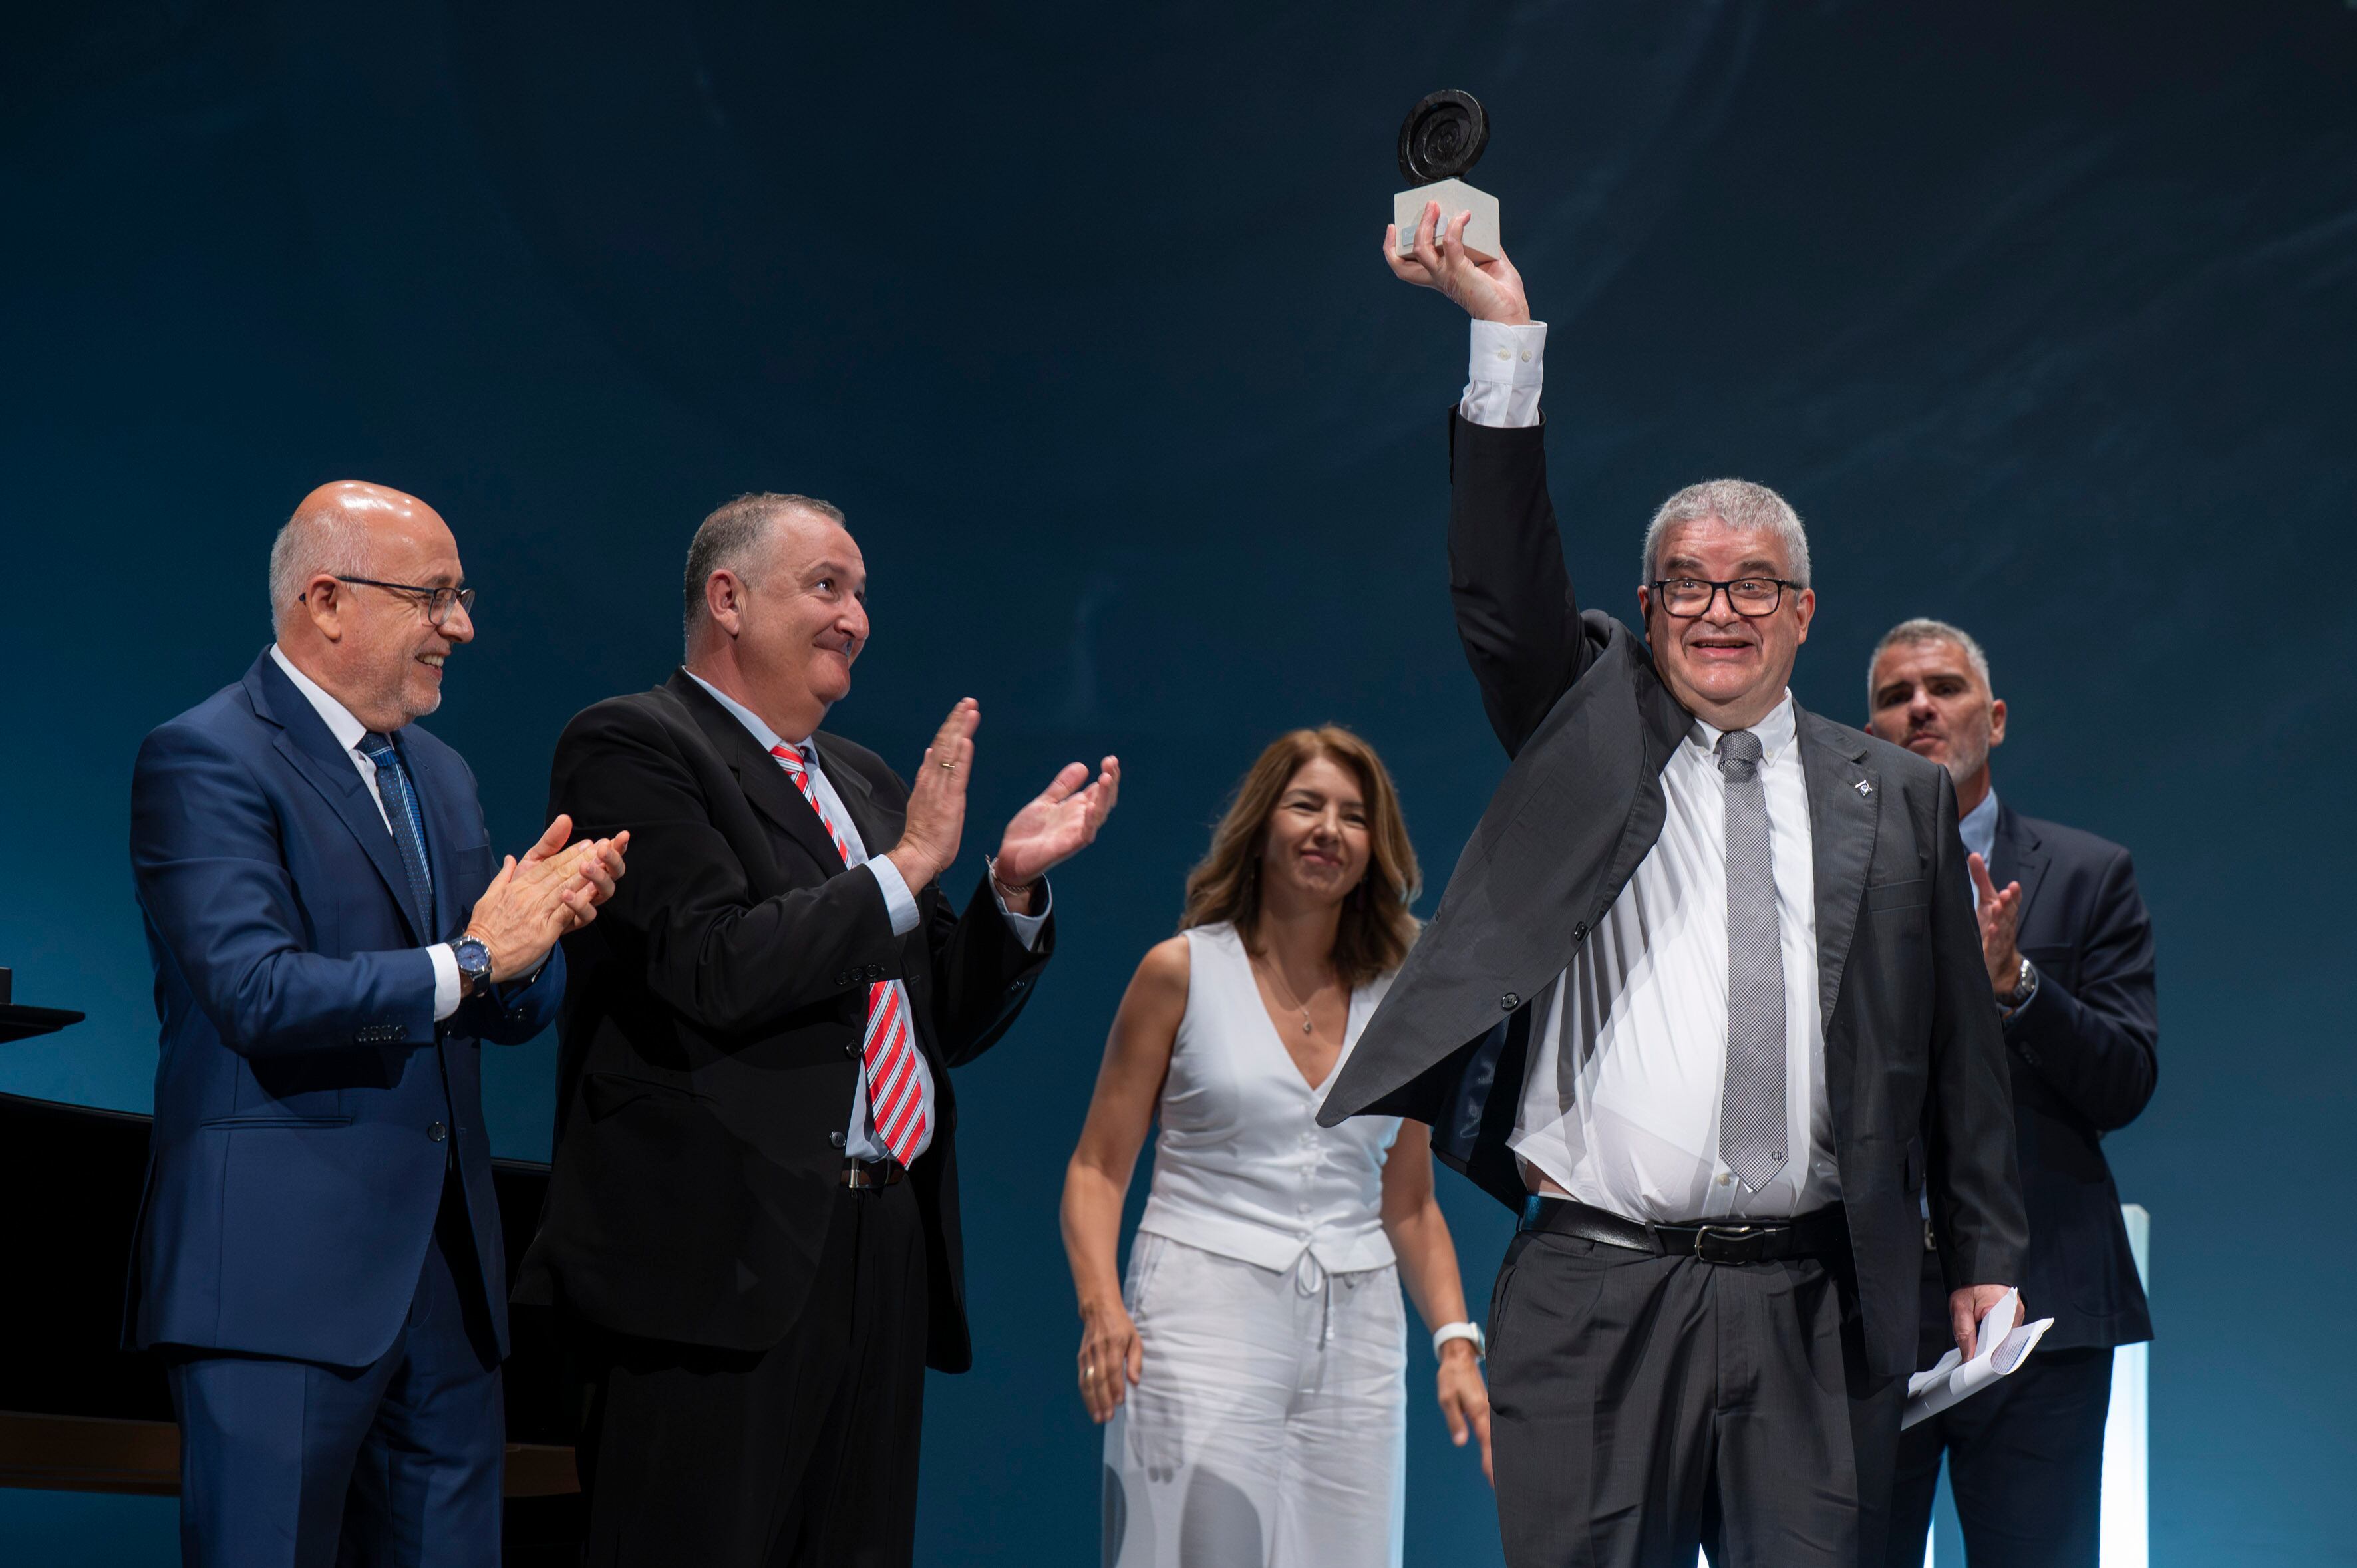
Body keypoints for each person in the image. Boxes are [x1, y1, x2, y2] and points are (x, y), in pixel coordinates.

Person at [1315, 203, 2032, 1567]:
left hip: (1816, 1301)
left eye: (1753, 585)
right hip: (1596, 1289)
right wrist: (1501, 338)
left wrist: (1984, 1247)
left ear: (1804, 613)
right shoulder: (1587, 728)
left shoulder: (1899, 797)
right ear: (1643, 611)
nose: (1718, 610)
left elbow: (1955, 1048)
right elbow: (1501, 592)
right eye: (1685, 586)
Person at [513, 491, 1120, 1567]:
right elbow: (713, 965)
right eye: (826, 586)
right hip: (710, 1263)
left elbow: (939, 1013)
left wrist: (1008, 890)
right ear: (729, 599)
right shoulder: (633, 745)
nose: (856, 618)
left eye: (861, 594)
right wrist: (905, 868)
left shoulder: (866, 782)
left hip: (877, 1246)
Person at [128, 481, 627, 1567]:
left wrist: (539, 934)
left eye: (461, 595)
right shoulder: (206, 757)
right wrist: (476, 956)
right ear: (328, 601)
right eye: (435, 597)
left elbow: (494, 1002)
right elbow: (258, 992)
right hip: (278, 1291)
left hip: (447, 1294)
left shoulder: (437, 776)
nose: (463, 626)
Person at [1064, 726, 1492, 1567]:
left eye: (1353, 815)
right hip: (1197, 1321)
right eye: (1307, 805)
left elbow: (1408, 1204)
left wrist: (1454, 1340)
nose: (1329, 828)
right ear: (1262, 825)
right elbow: (1097, 1166)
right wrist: (1101, 1307)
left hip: (1359, 1341)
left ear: (1375, 848)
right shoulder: (1180, 971)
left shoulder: (1401, 1000)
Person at [1864, 618, 2157, 1568]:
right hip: (1863, 1314)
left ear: (1991, 719)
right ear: (1866, 733)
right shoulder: (1828, 885)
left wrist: (2018, 988)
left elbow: (2122, 1081)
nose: (1917, 706)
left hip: (2040, 1306)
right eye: (1892, 694)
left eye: (1942, 687)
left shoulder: (2085, 873)